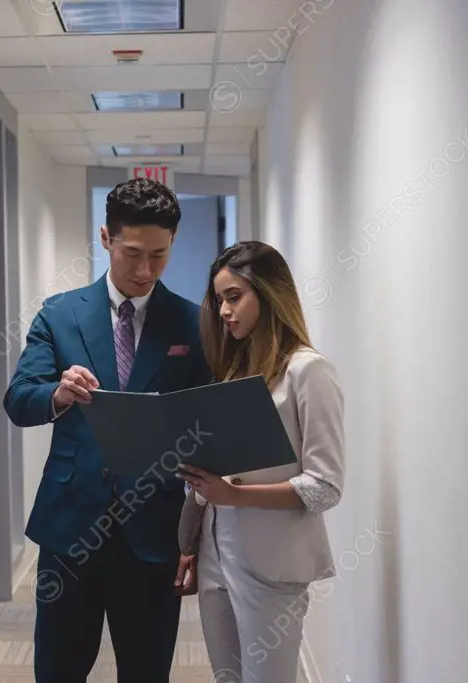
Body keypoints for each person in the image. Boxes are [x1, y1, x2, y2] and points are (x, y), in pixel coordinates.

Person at [3, 177, 213, 683]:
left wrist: (198, 528)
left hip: (153, 531)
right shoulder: (60, 314)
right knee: (58, 669)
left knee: (146, 671)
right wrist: (57, 392)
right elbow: (18, 400)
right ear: (105, 239)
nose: (145, 270)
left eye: (159, 256)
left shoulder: (193, 323)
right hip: (68, 526)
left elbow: (210, 425)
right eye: (132, 253)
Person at [176, 240, 346, 682]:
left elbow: (325, 486)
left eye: (235, 297)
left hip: (272, 562)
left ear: (269, 294)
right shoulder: (236, 373)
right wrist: (193, 538)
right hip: (215, 551)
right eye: (219, 301)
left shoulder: (309, 371)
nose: (224, 311)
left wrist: (234, 494)